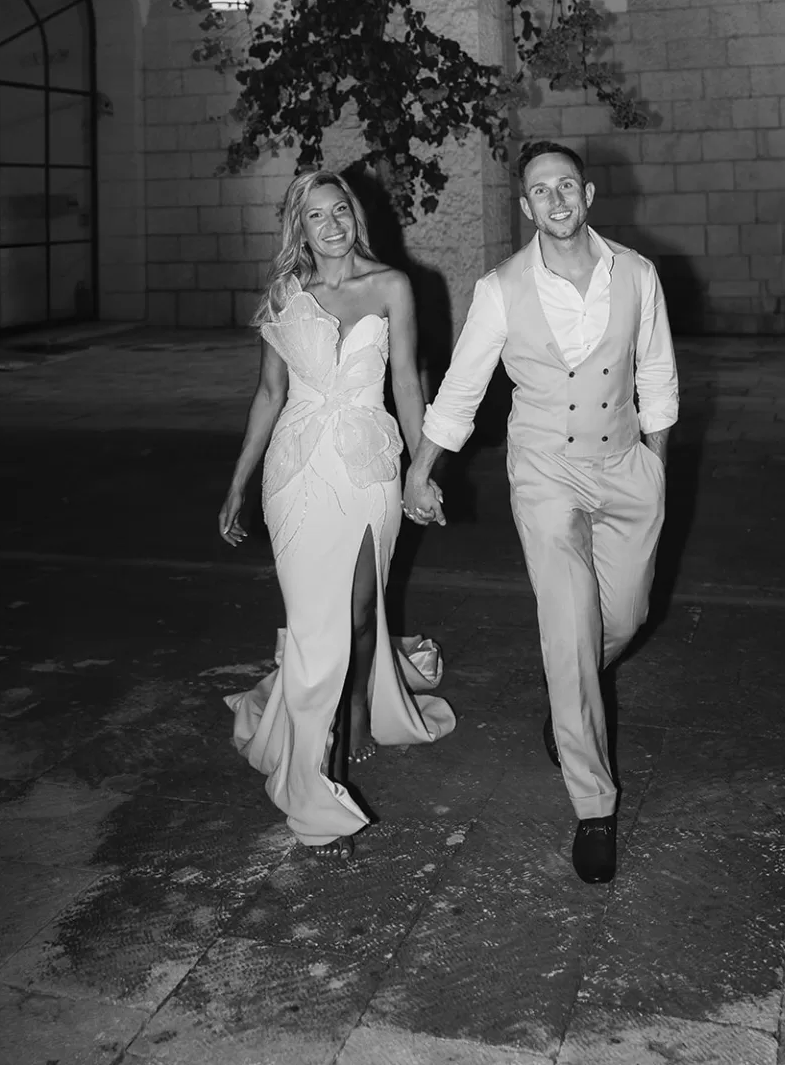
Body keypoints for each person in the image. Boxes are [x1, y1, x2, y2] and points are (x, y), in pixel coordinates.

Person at [404, 141, 678, 884]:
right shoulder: (500, 289)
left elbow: (655, 372)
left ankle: (571, 696)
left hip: (625, 469)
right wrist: (420, 471)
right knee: (567, 628)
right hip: (546, 475)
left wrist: (654, 465)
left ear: (587, 194)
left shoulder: (638, 275)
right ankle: (594, 806)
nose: (555, 200)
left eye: (566, 186)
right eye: (539, 191)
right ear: (525, 208)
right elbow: (460, 391)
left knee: (622, 618)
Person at [219, 168, 455, 860]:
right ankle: (315, 791)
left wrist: (422, 471)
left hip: (368, 470)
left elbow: (409, 382)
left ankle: (353, 705)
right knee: (317, 629)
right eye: (316, 215)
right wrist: (237, 483)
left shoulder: (392, 287)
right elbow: (268, 395)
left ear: (354, 215)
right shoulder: (286, 297)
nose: (332, 223)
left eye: (340, 209)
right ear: (300, 228)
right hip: (294, 474)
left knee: (357, 613)